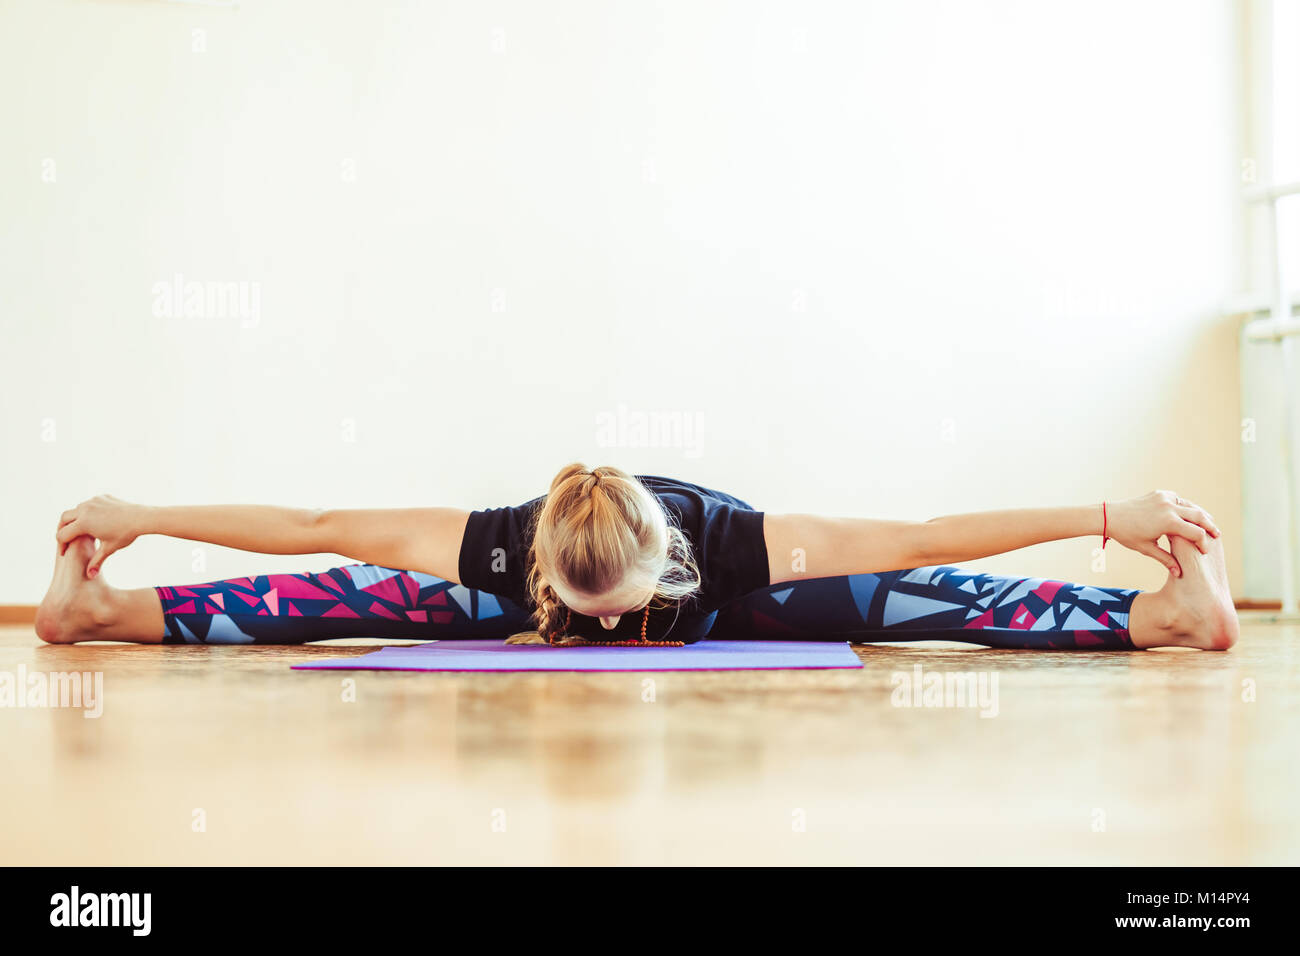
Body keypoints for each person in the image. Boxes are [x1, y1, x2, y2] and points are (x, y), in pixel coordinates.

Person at [35, 463, 1238, 651]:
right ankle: (102, 611)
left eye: (625, 610)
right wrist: (144, 508)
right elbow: (308, 530)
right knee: (344, 594)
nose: (606, 632)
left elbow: (931, 536)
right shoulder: (499, 547)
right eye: (582, 610)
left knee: (919, 596)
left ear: (663, 567)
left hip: (740, 610)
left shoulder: (733, 543)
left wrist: (1102, 509)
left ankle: (1162, 616)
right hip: (502, 585)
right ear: (545, 576)